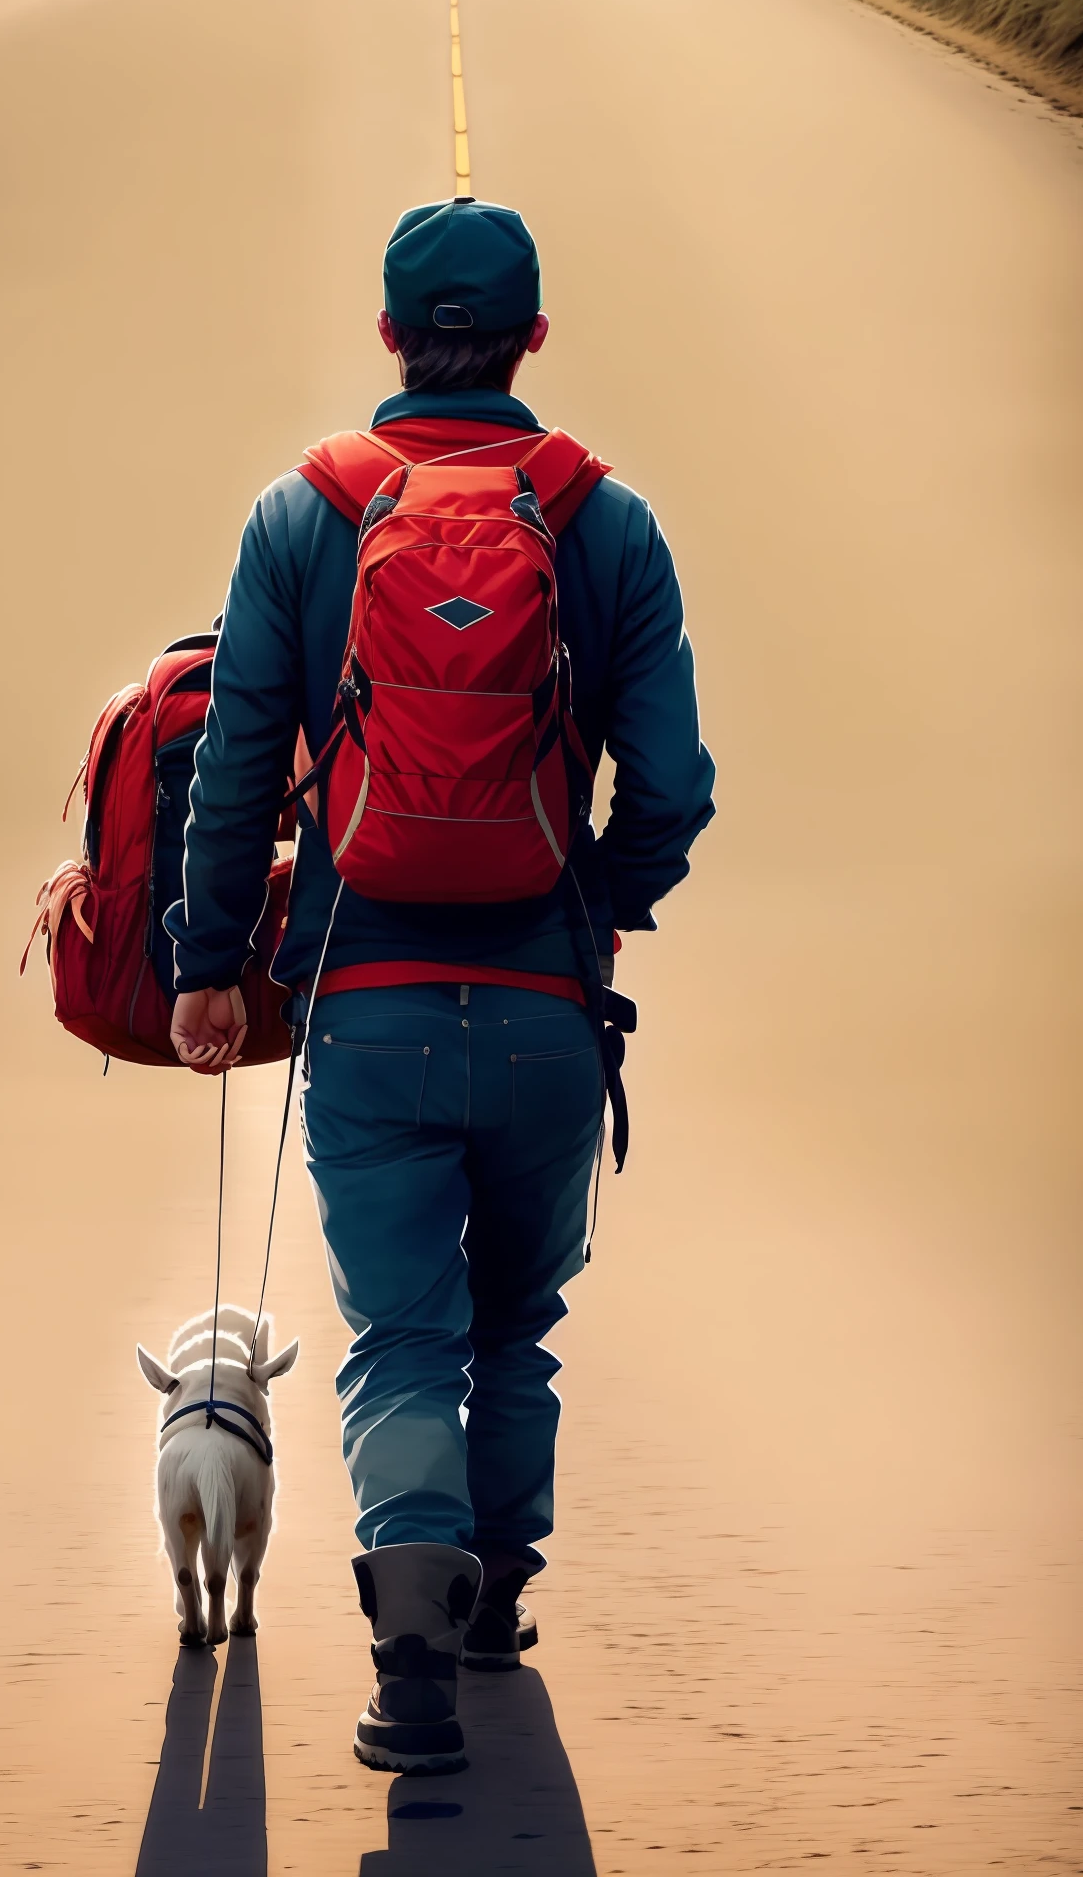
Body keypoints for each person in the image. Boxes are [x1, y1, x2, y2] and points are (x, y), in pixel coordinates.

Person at [165, 198, 715, 1775]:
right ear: (532, 336)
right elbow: (671, 785)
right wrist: (596, 905)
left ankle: (410, 1670)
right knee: (510, 1332)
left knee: (398, 1338)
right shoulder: (606, 524)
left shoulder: (304, 517)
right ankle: (496, 1603)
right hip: (545, 1012)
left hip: (370, 1009)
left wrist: (211, 971)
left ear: (394, 334)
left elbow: (234, 771)